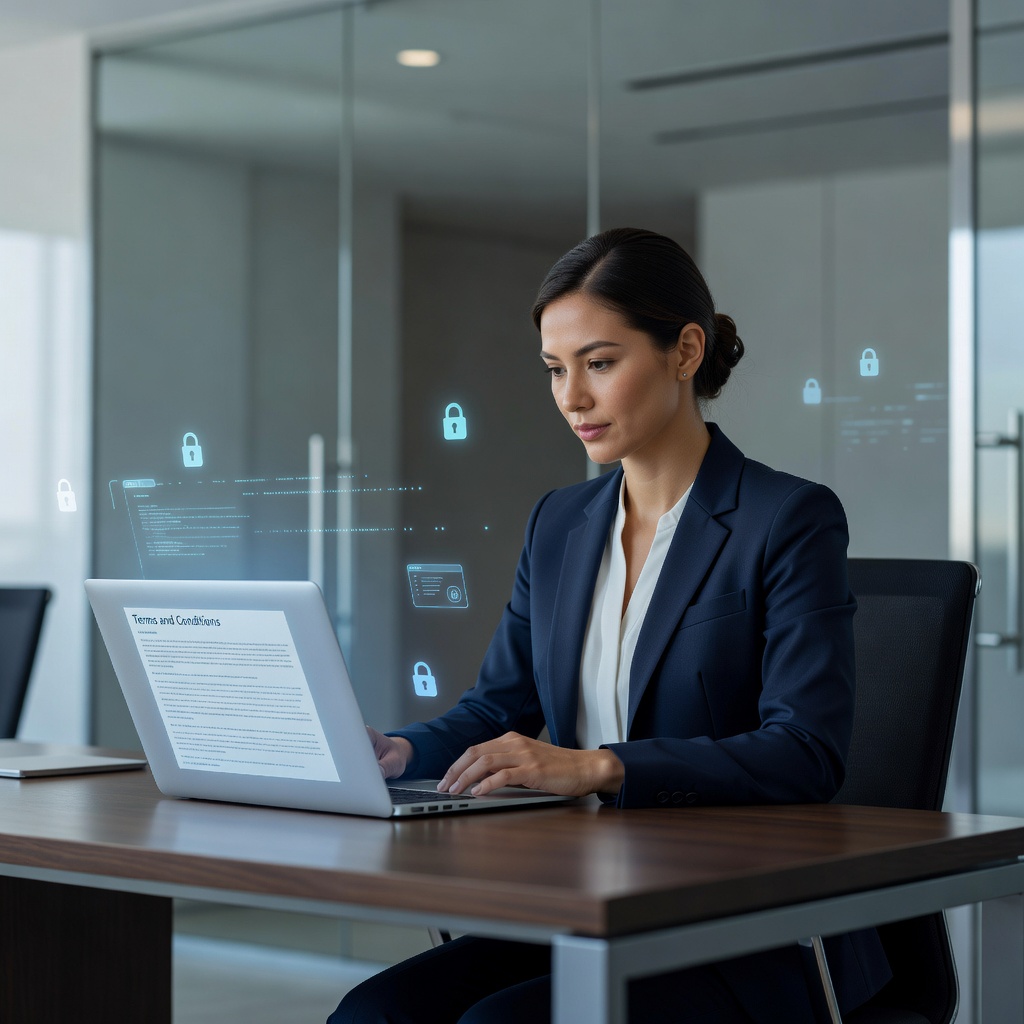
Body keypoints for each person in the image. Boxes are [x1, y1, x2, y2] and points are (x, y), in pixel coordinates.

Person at [328, 227, 891, 1023]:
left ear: (685, 351)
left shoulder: (787, 518)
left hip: (741, 926)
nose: (572, 398)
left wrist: (599, 767)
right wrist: (403, 750)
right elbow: (498, 708)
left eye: (599, 363)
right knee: (374, 1013)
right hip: (585, 898)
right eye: (556, 369)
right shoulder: (559, 523)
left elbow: (806, 751)